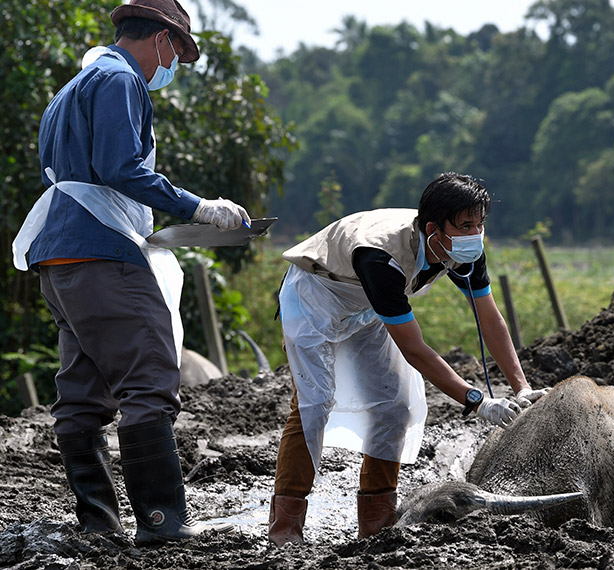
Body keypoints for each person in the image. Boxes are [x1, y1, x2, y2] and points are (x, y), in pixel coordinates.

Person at [11, 0, 249, 545]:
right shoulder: (120, 80)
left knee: (83, 391)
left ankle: (99, 522)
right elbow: (122, 170)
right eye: (177, 54)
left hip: (60, 257)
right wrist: (195, 208)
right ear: (162, 39)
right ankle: (162, 524)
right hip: (103, 256)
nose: (171, 68)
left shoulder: (73, 86)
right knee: (148, 381)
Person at [268, 172, 548, 546]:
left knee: (396, 405)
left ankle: (377, 519)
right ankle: (285, 527)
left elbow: (488, 317)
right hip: (317, 294)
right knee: (314, 402)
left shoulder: (464, 250)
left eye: (480, 224)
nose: (475, 234)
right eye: (466, 225)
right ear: (434, 229)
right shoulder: (380, 257)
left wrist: (521, 386)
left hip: (366, 305)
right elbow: (415, 349)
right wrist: (475, 399)